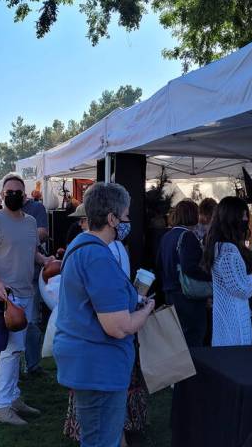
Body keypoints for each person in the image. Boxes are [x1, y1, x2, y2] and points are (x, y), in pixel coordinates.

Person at [54, 181, 155, 447]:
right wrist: (146, 310)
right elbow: (118, 327)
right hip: (99, 367)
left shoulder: (80, 246)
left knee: (96, 437)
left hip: (87, 363)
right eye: (126, 215)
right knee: (101, 440)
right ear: (111, 218)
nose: (128, 221)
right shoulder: (97, 257)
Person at [0, 173, 51, 426]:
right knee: (10, 351)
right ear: (1, 195)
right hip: (4, 296)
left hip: (26, 291)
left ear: (25, 194)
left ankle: (12, 397)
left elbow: (31, 251)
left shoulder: (30, 221)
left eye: (18, 191)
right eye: (9, 192)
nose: (13, 195)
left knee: (17, 349)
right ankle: (0, 405)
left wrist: (45, 261)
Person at [202, 197, 252, 346]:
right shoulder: (229, 250)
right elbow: (244, 290)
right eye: (243, 215)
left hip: (225, 318)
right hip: (235, 320)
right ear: (232, 217)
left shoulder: (217, 246)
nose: (246, 219)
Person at [156, 199, 211, 347]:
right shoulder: (188, 236)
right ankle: (193, 370)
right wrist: (210, 277)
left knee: (176, 340)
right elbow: (190, 267)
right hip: (188, 297)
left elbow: (159, 264)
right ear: (192, 215)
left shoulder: (166, 236)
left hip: (170, 294)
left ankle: (180, 369)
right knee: (193, 338)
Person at [22, 188, 50, 377]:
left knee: (31, 322)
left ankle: (31, 365)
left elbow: (42, 233)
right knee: (11, 324)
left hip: (31, 275)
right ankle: (15, 369)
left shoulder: (36, 208)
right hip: (8, 279)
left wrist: (17, 235)